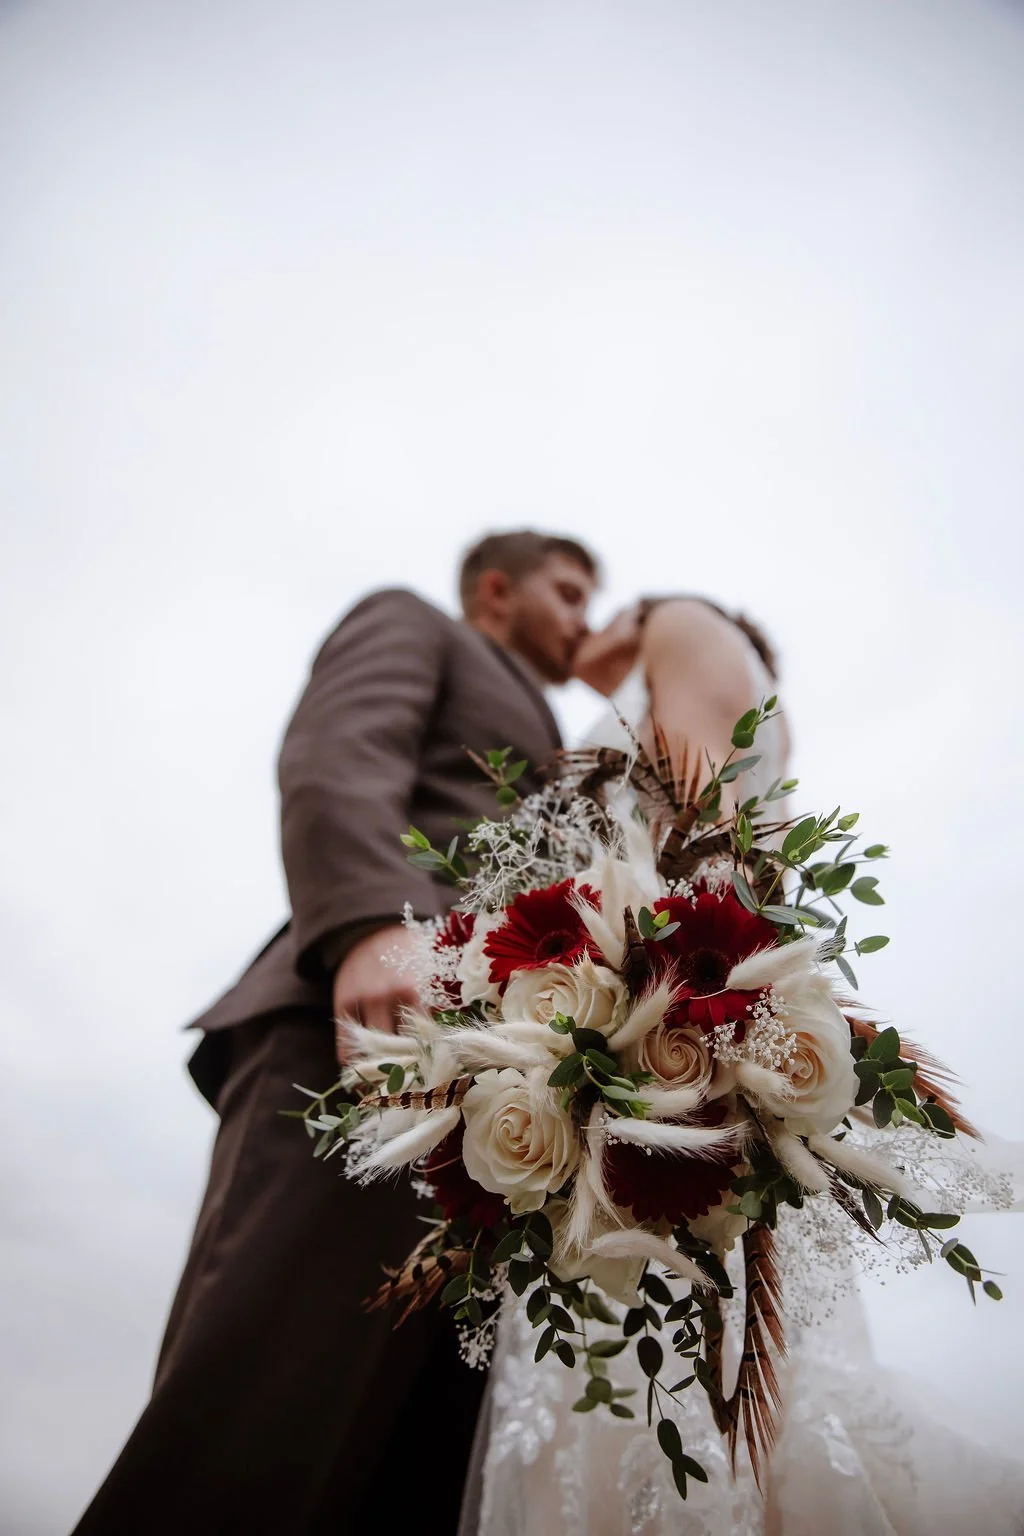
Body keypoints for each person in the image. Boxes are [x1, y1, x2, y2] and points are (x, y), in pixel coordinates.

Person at [71, 530, 598, 1536]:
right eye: (566, 594)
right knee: (266, 1405)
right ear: (496, 589)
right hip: (369, 1031)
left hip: (511, 1099)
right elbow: (336, 752)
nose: (581, 620)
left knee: (412, 1462)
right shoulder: (414, 622)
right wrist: (370, 927)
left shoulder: (560, 731)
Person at [463, 595, 1024, 1536]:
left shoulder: (680, 622)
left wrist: (668, 1013)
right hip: (627, 1055)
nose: (578, 623)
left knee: (668, 1375)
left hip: (664, 1056)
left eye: (588, 600)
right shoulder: (668, 688)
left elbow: (700, 835)